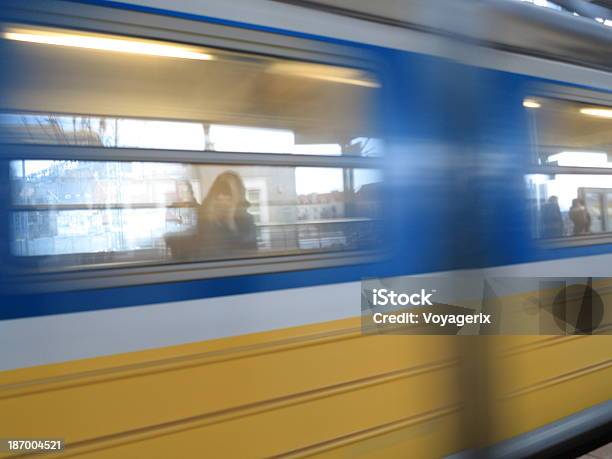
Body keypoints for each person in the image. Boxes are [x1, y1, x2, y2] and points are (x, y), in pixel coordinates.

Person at [165, 171, 257, 260]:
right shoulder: (204, 217)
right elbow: (195, 247)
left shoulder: (246, 221)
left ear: (237, 197)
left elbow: (248, 253)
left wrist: (230, 222)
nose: (222, 198)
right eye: (218, 192)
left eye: (228, 194)